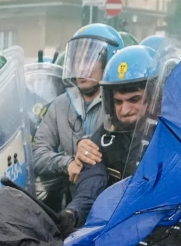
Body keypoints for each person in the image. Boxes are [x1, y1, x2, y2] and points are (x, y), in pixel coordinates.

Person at [63, 43, 160, 229]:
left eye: (134, 100)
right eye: (118, 102)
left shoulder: (173, 135)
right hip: (121, 230)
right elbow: (92, 180)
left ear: (155, 98)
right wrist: (73, 213)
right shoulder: (106, 137)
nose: (124, 110)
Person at [31, 23, 121, 209]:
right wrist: (67, 163)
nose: (80, 67)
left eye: (88, 60)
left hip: (112, 201)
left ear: (110, 61)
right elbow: (37, 153)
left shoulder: (121, 104)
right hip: (70, 202)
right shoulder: (60, 104)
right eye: (76, 60)